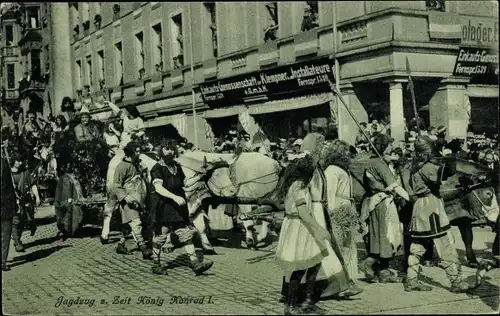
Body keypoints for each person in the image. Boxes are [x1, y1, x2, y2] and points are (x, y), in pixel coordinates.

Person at [404, 136, 482, 293]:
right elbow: (443, 174)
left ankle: (411, 280)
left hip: (420, 206)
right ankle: (456, 281)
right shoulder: (426, 167)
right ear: (426, 152)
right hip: (430, 206)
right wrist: (450, 160)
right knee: (444, 243)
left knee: (418, 246)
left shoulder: (414, 166)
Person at [274, 153, 329, 315]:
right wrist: (320, 229)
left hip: (299, 226)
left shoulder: (295, 184)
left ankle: (307, 301)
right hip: (300, 228)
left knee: (315, 262)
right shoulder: (299, 187)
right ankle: (291, 305)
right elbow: (304, 213)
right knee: (300, 266)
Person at [149, 140, 213, 275]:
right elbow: (158, 188)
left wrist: (200, 176)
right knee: (160, 236)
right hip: (163, 207)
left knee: (185, 234)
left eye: (172, 149)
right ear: (161, 151)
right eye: (166, 149)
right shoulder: (157, 168)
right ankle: (156, 265)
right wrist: (175, 197)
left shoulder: (176, 166)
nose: (170, 152)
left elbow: (185, 183)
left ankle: (195, 264)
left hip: (177, 208)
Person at [359, 134, 410, 283]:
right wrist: (409, 198)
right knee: (387, 234)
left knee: (378, 235)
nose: (390, 148)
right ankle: (369, 264)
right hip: (384, 202)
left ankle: (382, 270)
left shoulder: (371, 162)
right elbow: (394, 185)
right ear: (383, 146)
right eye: (388, 145)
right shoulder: (380, 164)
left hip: (374, 203)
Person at [111, 141, 152, 259]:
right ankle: (143, 248)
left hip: (140, 198)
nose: (139, 154)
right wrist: (125, 197)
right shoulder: (122, 166)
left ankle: (121, 245)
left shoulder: (137, 164)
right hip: (129, 200)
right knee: (135, 222)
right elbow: (117, 185)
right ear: (130, 152)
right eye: (137, 151)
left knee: (128, 225)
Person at [10, 153, 40, 252]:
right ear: (13, 162)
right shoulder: (8, 174)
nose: (21, 163)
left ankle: (17, 238)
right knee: (15, 221)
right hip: (11, 201)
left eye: (21, 161)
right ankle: (17, 243)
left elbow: (32, 184)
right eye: (18, 161)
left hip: (22, 201)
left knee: (22, 222)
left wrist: (37, 196)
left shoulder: (25, 172)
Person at [1, 134, 19, 271]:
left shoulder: (4, 162)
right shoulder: (3, 163)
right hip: (5, 204)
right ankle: (2, 262)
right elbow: (7, 186)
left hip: (6, 203)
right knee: (5, 234)